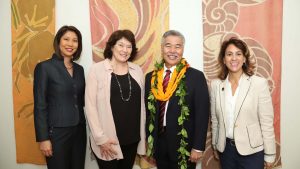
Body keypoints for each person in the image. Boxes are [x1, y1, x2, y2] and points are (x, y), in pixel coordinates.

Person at [145, 30, 210, 169]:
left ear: (183, 49)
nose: (172, 50)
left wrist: (198, 147)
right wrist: (149, 142)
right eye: (168, 45)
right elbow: (148, 112)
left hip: (184, 146)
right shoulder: (150, 77)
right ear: (162, 48)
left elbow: (202, 114)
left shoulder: (196, 77)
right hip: (159, 145)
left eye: (178, 46)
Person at [210, 37, 276, 169]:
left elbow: (266, 123)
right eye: (229, 54)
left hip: (252, 152)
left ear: (244, 58)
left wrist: (270, 154)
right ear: (224, 59)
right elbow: (215, 119)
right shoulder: (216, 85)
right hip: (226, 151)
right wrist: (215, 144)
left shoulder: (259, 84)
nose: (234, 58)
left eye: (238, 54)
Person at [85, 29, 146, 169]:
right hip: (108, 140)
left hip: (132, 139)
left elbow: (142, 104)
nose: (125, 50)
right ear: (112, 47)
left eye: (129, 46)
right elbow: (90, 107)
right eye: (121, 45)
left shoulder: (137, 70)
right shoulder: (97, 70)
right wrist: (100, 139)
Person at [33, 25, 86, 169]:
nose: (70, 44)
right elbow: (40, 105)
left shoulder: (80, 70)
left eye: (75, 40)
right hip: (56, 134)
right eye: (66, 39)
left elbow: (81, 101)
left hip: (79, 131)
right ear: (58, 41)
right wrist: (43, 138)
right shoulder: (44, 68)